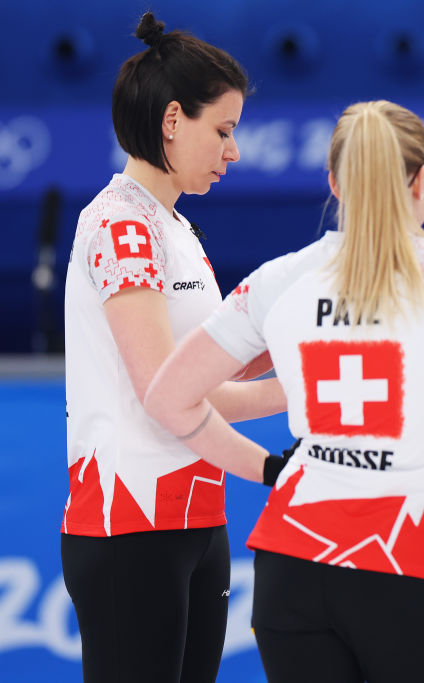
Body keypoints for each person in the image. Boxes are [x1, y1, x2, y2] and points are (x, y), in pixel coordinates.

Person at [144, 99, 424, 682]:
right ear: (422, 180)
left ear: (334, 182)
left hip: (290, 565)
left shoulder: (279, 279)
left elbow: (168, 397)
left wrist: (269, 458)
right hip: (401, 560)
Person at [61, 12, 289, 683]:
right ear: (170, 122)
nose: (234, 151)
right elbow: (170, 392)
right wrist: (277, 454)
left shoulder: (177, 227)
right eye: (223, 130)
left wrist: (308, 343)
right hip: (128, 524)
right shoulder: (120, 226)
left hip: (197, 517)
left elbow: (214, 368)